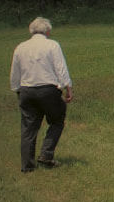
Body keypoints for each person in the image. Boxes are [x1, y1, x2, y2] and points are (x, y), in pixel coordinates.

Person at [10, 17, 74, 172]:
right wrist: (68, 88)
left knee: (28, 128)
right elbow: (60, 68)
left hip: (26, 90)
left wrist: (17, 89)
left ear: (31, 30)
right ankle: (46, 154)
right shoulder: (52, 45)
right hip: (48, 90)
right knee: (57, 120)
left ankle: (27, 166)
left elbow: (15, 72)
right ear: (48, 31)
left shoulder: (20, 47)